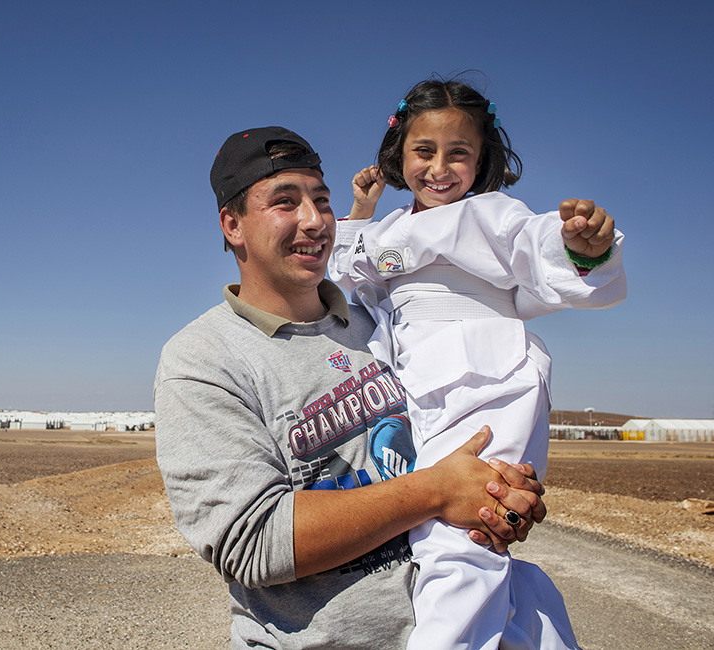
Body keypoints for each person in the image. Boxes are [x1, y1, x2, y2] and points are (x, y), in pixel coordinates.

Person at [154, 125, 548, 649]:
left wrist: (498, 494)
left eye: (321, 199)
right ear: (233, 225)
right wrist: (437, 489)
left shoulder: (381, 320)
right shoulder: (205, 359)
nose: (314, 221)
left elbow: (456, 429)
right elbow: (255, 543)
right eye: (285, 202)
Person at [329, 78, 626, 649]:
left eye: (458, 153)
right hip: (417, 389)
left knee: (462, 539)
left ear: (482, 158)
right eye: (424, 151)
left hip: (485, 383)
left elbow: (533, 240)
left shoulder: (489, 214)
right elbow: (345, 272)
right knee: (431, 539)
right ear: (400, 153)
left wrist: (581, 248)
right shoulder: (387, 230)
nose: (440, 168)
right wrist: (361, 212)